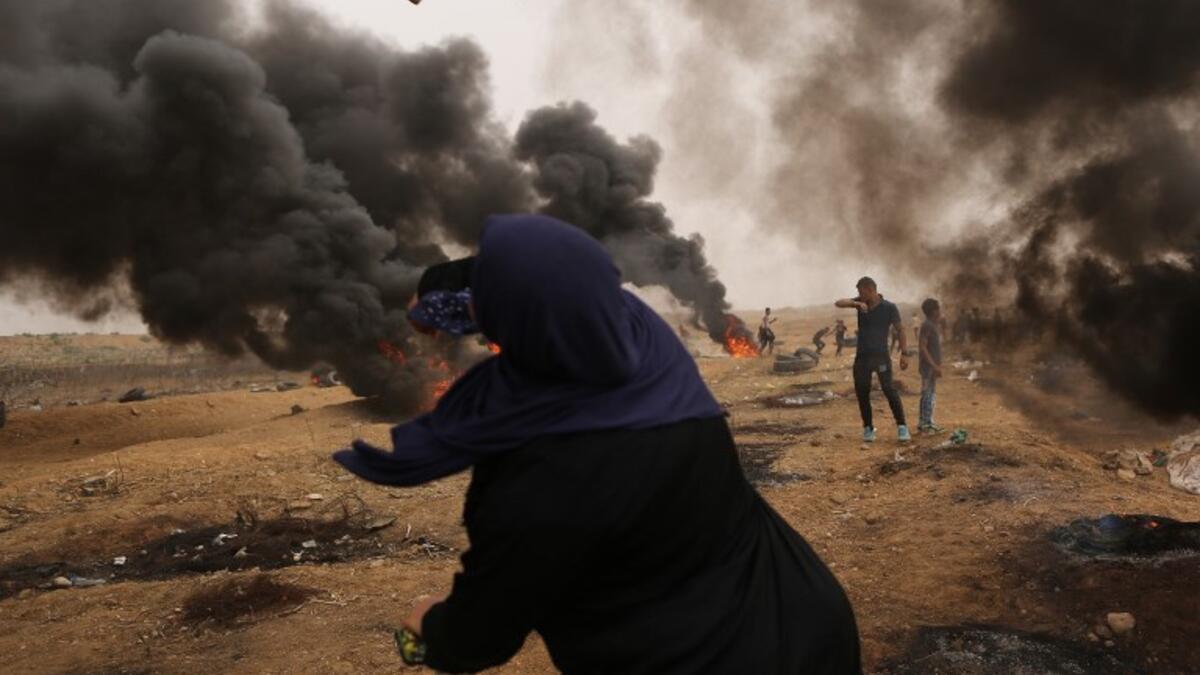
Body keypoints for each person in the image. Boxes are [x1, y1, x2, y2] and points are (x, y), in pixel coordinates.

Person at [335, 215, 861, 674]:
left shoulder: (540, 477)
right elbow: (554, 278)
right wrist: (441, 285)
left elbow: (481, 637)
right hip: (806, 620)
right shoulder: (646, 349)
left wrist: (426, 629)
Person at [835, 277, 911, 443]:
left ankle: (902, 427)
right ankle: (868, 428)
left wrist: (905, 354)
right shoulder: (860, 303)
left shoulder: (889, 307)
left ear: (871, 289)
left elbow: (901, 330)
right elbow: (838, 303)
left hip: (881, 356)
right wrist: (855, 304)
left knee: (889, 390)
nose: (859, 295)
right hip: (862, 357)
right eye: (858, 293)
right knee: (862, 393)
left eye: (861, 292)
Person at [917, 298, 944, 434]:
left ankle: (926, 422)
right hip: (928, 368)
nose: (941, 311)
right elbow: (922, 347)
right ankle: (926, 424)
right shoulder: (927, 325)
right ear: (934, 311)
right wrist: (934, 366)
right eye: (939, 308)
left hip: (930, 367)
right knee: (928, 394)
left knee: (929, 393)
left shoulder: (932, 325)